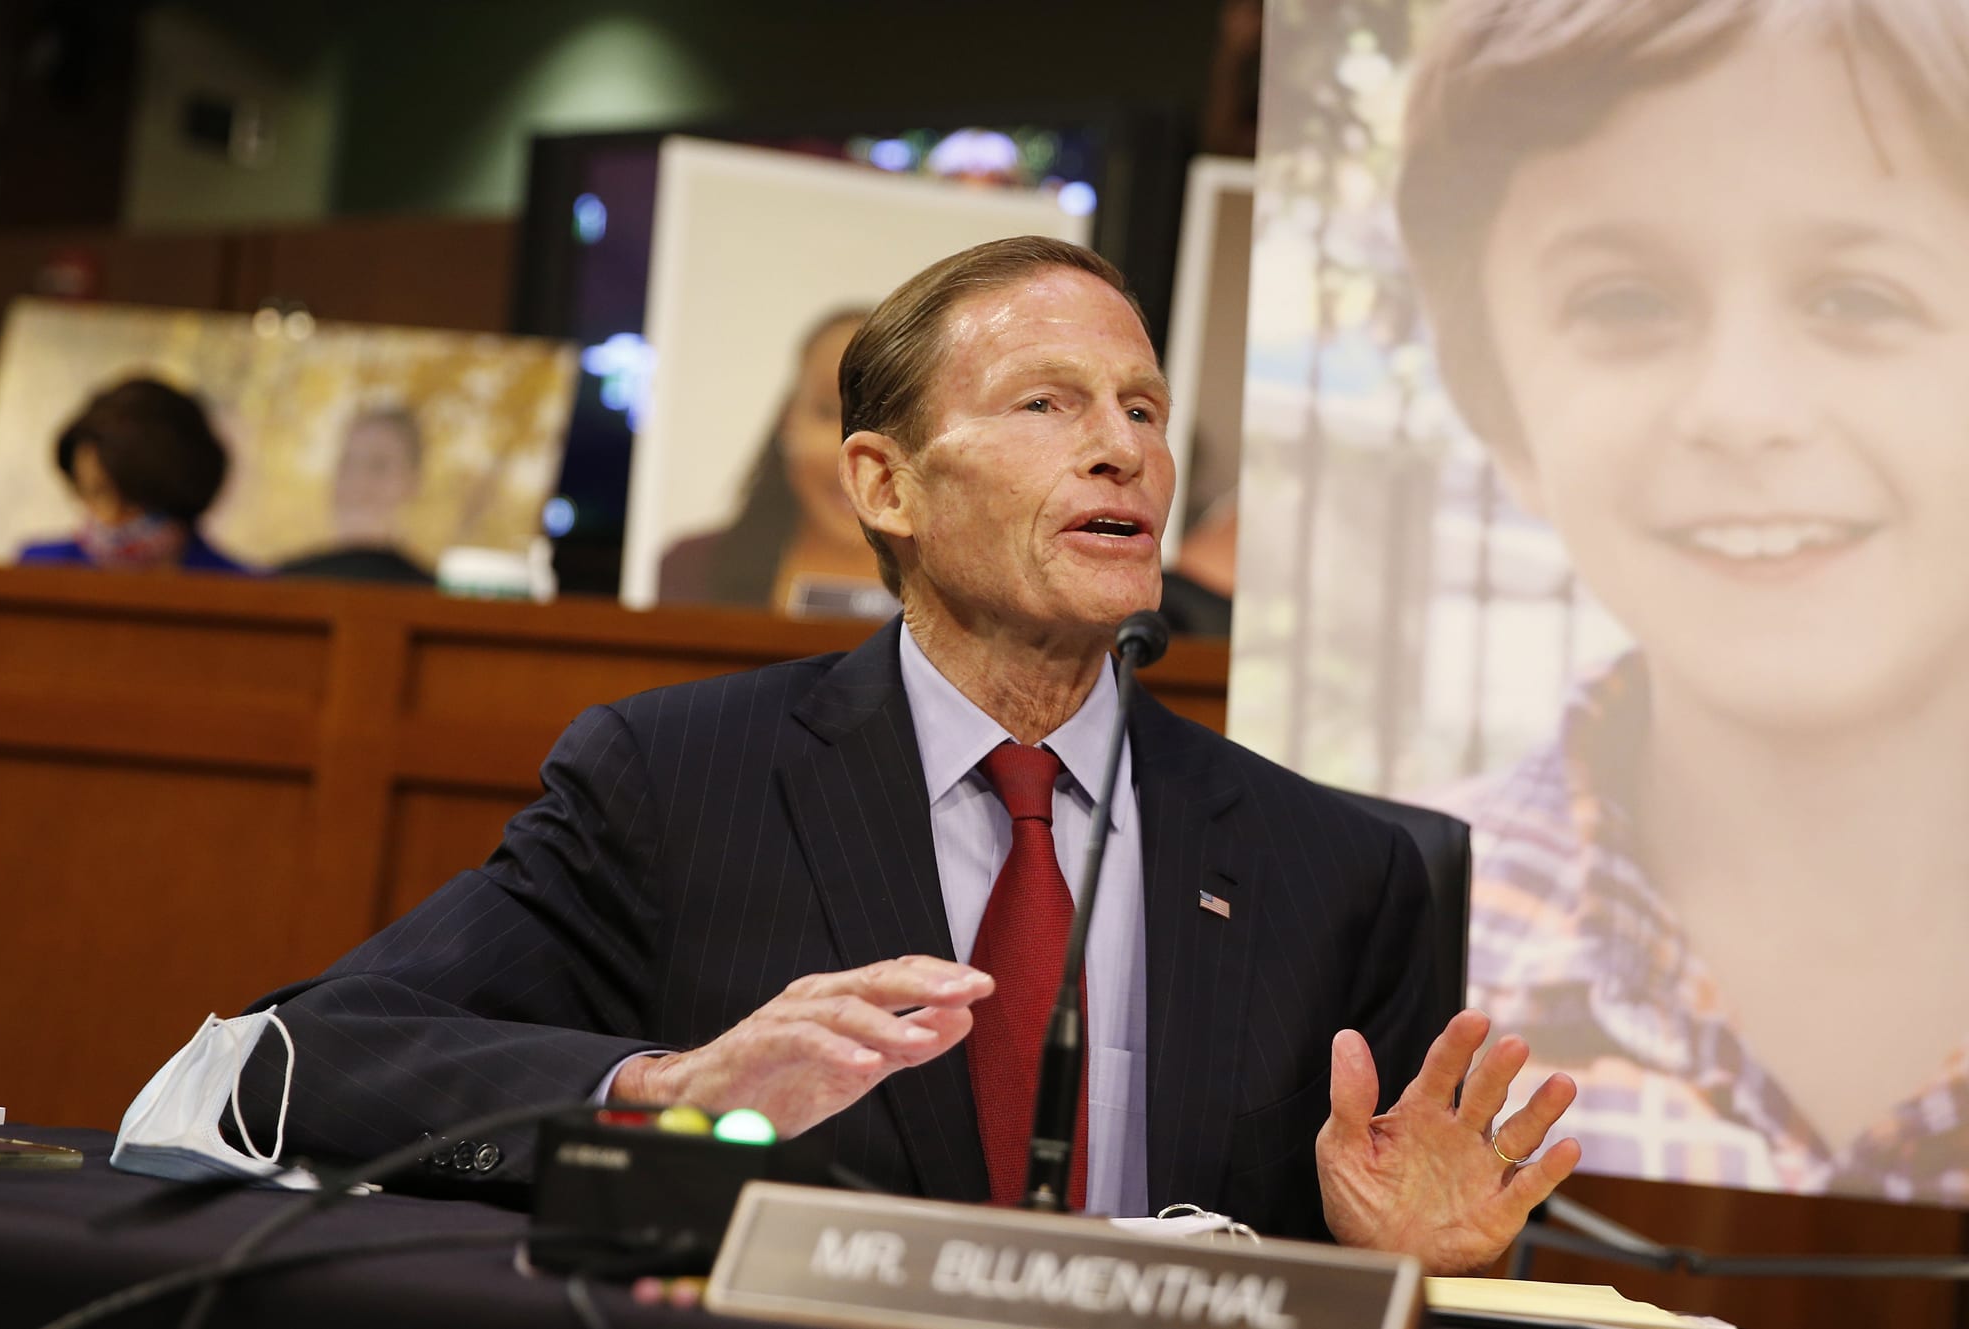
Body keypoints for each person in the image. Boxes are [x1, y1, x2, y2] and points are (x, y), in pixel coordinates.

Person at [229, 237, 1576, 1269]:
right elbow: (321, 1056)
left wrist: (1402, 1269)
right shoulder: (674, 780)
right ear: (886, 485)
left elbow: (1378, 1257)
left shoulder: (1339, 867)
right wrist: (663, 1092)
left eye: (1145, 412)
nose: (1122, 449)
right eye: (1049, 404)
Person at [1396, 0, 1969, 1203]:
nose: (1741, 408)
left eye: (1859, 298)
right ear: (1508, 423)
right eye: (1625, 303)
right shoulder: (1376, 941)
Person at [657, 310, 896, 619]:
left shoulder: (967, 586)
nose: (853, 449)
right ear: (787, 422)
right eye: (826, 411)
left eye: (887, 417)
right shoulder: (693, 568)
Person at [18, 377, 249, 574]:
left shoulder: (245, 591)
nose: (110, 515)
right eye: (94, 493)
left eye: (131, 499)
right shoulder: (39, 569)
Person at [277, 407, 434, 585]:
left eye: (378, 466)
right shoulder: (285, 584)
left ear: (413, 482)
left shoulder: (434, 598)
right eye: (347, 463)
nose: (357, 482)